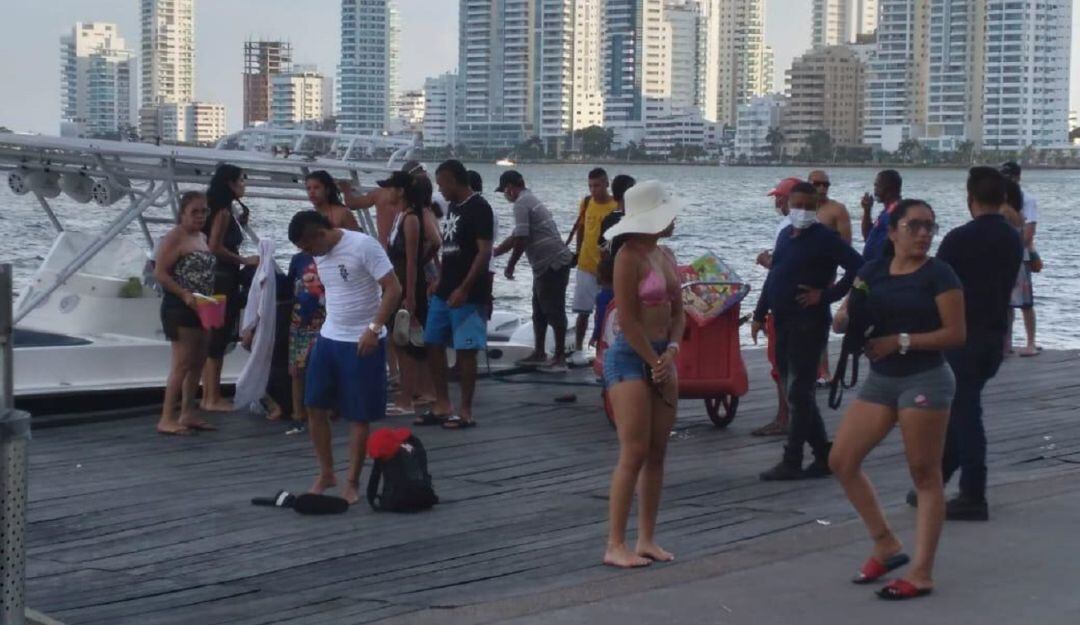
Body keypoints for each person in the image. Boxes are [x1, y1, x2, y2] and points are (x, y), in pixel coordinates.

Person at [828, 199, 965, 600]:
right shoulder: (872, 271)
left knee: (924, 474)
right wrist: (844, 319)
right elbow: (847, 311)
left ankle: (922, 572)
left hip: (926, 378)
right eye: (915, 226)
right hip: (882, 380)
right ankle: (886, 544)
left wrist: (901, 341)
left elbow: (955, 334)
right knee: (842, 459)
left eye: (930, 227)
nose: (924, 234)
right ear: (892, 231)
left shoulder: (940, 275)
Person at [287, 210, 402, 504]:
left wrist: (374, 329)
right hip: (330, 336)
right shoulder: (320, 255)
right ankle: (326, 473)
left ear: (319, 234)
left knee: (358, 414)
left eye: (308, 246)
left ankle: (352, 481)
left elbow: (393, 288)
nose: (308, 253)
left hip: (361, 338)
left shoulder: (362, 245)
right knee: (314, 404)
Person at [928, 168, 1022, 521]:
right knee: (961, 409)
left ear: (970, 199)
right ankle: (934, 481)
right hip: (994, 336)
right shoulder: (1012, 238)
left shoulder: (957, 239)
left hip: (963, 335)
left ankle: (973, 493)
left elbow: (936, 285)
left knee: (966, 414)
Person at [600, 180, 686, 568]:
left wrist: (671, 351)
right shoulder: (627, 256)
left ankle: (646, 537)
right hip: (631, 358)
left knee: (657, 450)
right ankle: (615, 543)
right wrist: (652, 361)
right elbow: (628, 320)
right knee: (633, 450)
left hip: (662, 356)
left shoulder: (665, 254)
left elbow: (679, 312)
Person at [752, 182, 863, 481]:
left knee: (799, 391)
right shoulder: (786, 237)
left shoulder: (825, 238)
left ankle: (793, 458)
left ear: (816, 208)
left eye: (808, 206)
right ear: (788, 205)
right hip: (783, 320)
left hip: (809, 323)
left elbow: (859, 268)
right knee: (795, 392)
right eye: (796, 205)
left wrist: (825, 295)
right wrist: (760, 313)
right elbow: (776, 275)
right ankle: (824, 454)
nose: (801, 211)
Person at [417, 159, 494, 430]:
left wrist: (465, 287)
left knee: (466, 350)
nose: (441, 189)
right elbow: (450, 249)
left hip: (469, 293)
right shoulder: (451, 209)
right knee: (432, 341)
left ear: (452, 180)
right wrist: (439, 279)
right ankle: (442, 403)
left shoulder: (479, 208)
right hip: (445, 287)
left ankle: (465, 411)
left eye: (442, 184)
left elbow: (484, 251)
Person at [493, 170, 575, 371]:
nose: (505, 195)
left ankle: (560, 357)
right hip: (545, 265)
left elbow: (521, 239)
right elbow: (515, 237)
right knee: (539, 310)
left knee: (553, 309)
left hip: (552, 263)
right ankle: (539, 352)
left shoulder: (521, 202)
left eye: (504, 190)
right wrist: (493, 253)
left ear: (511, 188)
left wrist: (510, 265)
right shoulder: (529, 199)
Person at [154, 191, 217, 435]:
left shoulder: (201, 236)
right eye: (195, 212)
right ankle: (167, 417)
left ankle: (188, 411)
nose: (200, 216)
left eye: (204, 211)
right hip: (181, 306)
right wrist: (184, 294)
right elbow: (160, 272)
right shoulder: (174, 237)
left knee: (198, 360)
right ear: (182, 214)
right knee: (182, 362)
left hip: (204, 305)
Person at [202, 164, 259, 412]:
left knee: (213, 336)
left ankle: (209, 395)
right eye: (241, 180)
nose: (244, 185)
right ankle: (212, 396)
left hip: (213, 276)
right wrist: (244, 260)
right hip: (222, 277)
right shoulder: (223, 212)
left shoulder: (222, 210)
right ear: (230, 184)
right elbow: (215, 246)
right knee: (218, 335)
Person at [751, 176, 801, 438]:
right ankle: (792, 418)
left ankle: (785, 418)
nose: (777, 201)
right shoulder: (809, 227)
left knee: (780, 365)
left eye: (780, 196)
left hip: (784, 308)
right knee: (792, 366)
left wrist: (759, 313)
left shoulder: (785, 227)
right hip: (801, 309)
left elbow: (779, 272)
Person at [386, 172, 437, 417]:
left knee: (407, 343)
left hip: (408, 286)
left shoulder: (411, 220)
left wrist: (410, 295)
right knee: (404, 342)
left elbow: (411, 261)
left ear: (401, 191)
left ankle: (408, 398)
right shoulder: (401, 217)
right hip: (398, 284)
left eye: (391, 189)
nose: (388, 193)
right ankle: (417, 392)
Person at [569, 168, 618, 365]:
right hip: (586, 265)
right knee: (582, 311)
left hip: (607, 269)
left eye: (597, 185)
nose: (594, 190)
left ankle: (605, 349)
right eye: (590, 186)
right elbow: (581, 229)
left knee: (607, 310)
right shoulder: (586, 202)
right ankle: (579, 348)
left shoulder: (615, 206)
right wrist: (578, 252)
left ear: (607, 184)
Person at [809, 170, 852, 386]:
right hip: (803, 272)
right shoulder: (803, 209)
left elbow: (846, 248)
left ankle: (824, 371)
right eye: (817, 184)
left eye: (826, 185)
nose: (822, 189)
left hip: (825, 275)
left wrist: (837, 279)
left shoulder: (836, 210)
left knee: (821, 320)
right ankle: (809, 369)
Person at [1001, 161, 1041, 357]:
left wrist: (1017, 249)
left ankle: (1031, 342)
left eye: (1008, 175)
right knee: (1006, 302)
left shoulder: (1027, 199)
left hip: (1020, 256)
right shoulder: (1000, 200)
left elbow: (1030, 231)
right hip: (1004, 257)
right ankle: (1007, 342)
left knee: (1025, 302)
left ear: (1017, 177)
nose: (1005, 179)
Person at [339, 168, 406, 247]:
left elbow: (352, 204)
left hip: (386, 248)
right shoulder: (414, 205)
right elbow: (352, 204)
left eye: (389, 187)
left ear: (401, 191)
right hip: (398, 248)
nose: (388, 190)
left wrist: (346, 191)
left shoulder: (379, 194)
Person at [859, 170, 903, 263]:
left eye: (877, 185)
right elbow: (867, 236)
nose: (875, 189)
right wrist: (867, 210)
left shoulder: (899, 212)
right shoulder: (886, 211)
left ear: (888, 188)